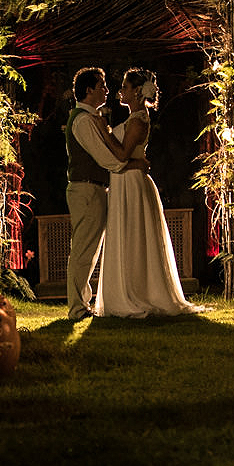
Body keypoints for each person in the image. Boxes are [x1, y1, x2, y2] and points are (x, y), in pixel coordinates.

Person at [91, 68, 208, 318]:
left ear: (136, 92)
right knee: (127, 236)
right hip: (124, 181)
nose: (120, 90)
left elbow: (122, 154)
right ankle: (126, 290)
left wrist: (103, 129)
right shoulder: (134, 117)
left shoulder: (138, 120)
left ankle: (138, 293)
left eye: (125, 86)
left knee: (133, 236)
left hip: (132, 184)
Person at [64, 67, 148, 321]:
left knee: (90, 251)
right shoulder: (82, 120)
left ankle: (82, 304)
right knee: (83, 250)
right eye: (101, 86)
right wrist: (133, 165)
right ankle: (77, 308)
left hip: (95, 188)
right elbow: (105, 158)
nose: (107, 90)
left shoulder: (91, 118)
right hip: (86, 188)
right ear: (89, 90)